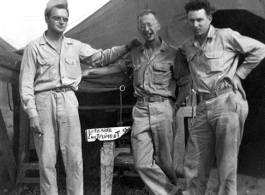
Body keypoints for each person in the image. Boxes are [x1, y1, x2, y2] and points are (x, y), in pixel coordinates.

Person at [19, 0, 140, 194]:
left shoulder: (74, 46)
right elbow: (25, 84)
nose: (61, 22)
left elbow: (102, 57)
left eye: (64, 19)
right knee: (47, 159)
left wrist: (126, 47)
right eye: (56, 18)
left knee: (74, 158)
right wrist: (32, 113)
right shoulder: (33, 48)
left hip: (68, 100)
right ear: (47, 18)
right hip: (43, 102)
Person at [82, 9, 191, 195]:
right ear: (139, 29)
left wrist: (175, 106)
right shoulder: (134, 53)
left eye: (150, 24)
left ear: (158, 26)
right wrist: (89, 72)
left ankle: (167, 192)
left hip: (163, 107)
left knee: (165, 160)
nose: (147, 29)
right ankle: (174, 193)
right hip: (140, 110)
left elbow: (185, 81)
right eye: (142, 26)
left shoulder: (173, 54)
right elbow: (115, 68)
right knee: (141, 162)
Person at [179, 0, 265, 194]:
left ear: (209, 18)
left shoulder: (225, 36)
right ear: (187, 22)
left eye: (200, 20)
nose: (196, 25)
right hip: (203, 105)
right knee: (193, 162)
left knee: (226, 166)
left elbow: (260, 49)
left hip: (227, 101)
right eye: (191, 21)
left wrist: (239, 74)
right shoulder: (187, 46)